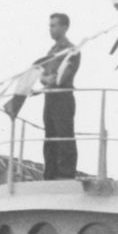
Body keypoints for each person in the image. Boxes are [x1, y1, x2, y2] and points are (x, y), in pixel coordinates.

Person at [38, 13, 80, 178]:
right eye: (50, 26)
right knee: (50, 136)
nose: (51, 29)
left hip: (63, 97)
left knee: (64, 136)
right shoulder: (52, 51)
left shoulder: (71, 50)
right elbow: (42, 74)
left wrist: (51, 79)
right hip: (50, 97)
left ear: (64, 27)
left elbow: (64, 75)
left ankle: (66, 173)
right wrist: (46, 79)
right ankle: (50, 173)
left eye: (54, 25)